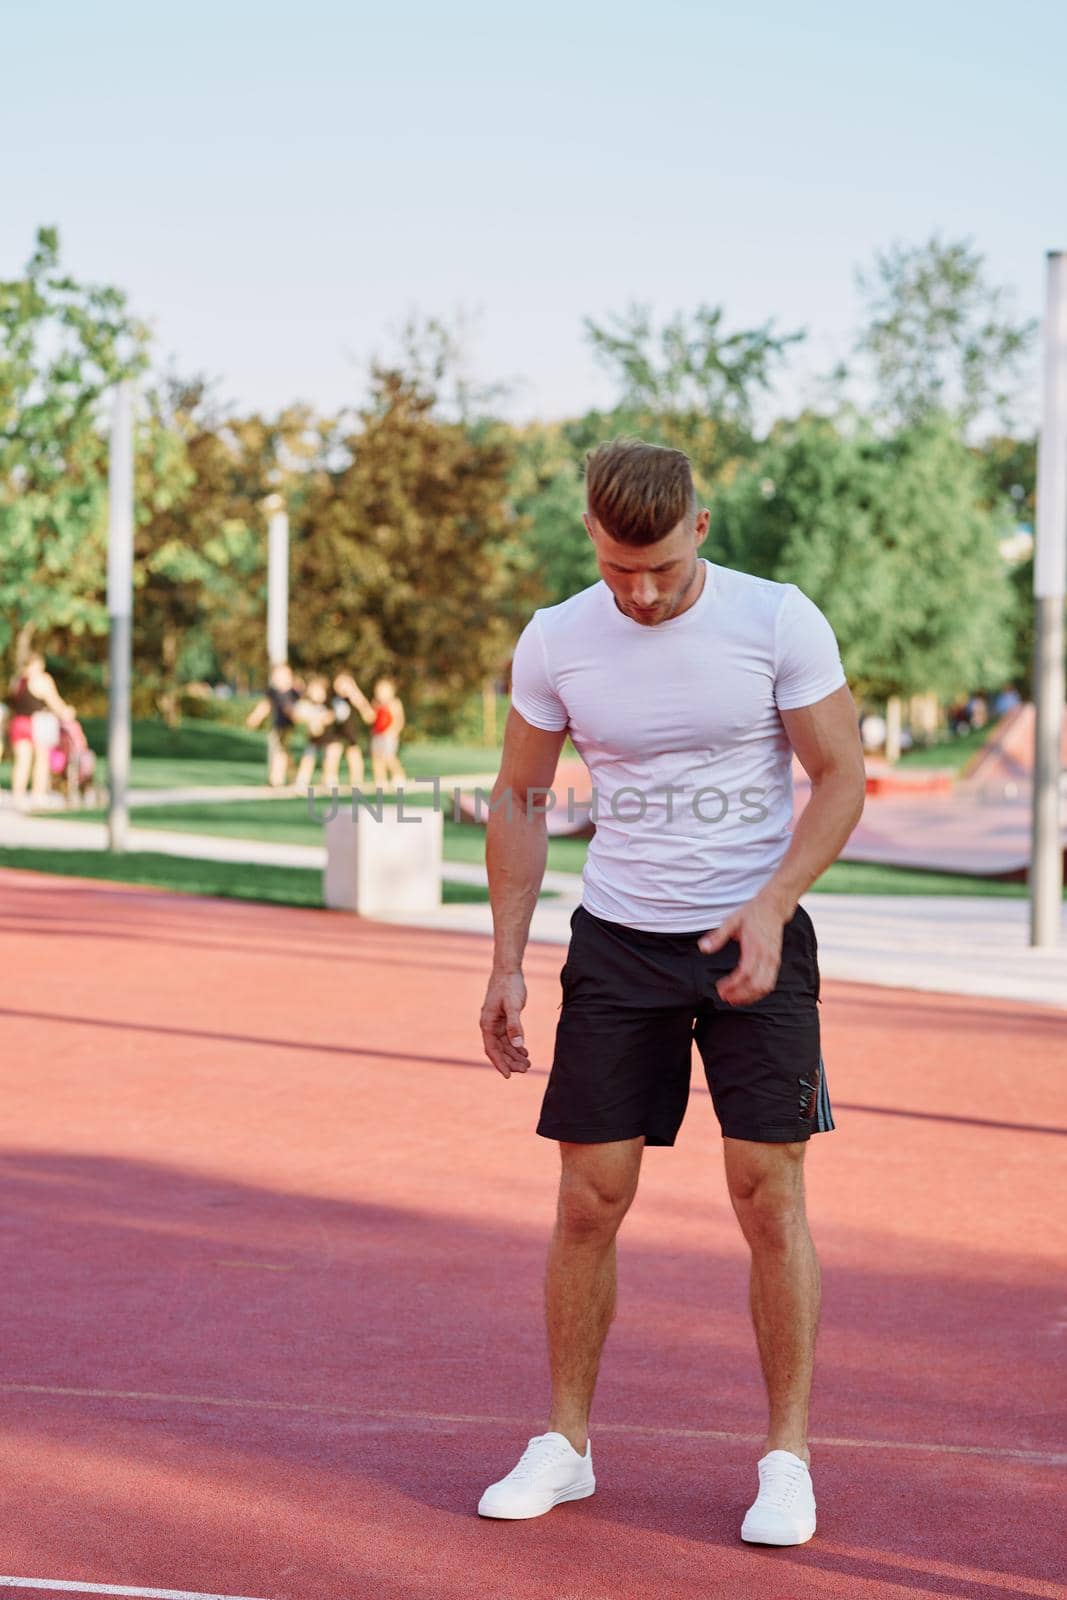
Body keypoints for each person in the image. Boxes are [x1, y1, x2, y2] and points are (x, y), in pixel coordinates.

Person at [477, 440, 865, 1547]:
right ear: (591, 544)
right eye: (615, 570)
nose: (638, 593)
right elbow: (517, 795)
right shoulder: (556, 637)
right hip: (618, 946)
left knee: (764, 1194)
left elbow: (840, 777)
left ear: (699, 526)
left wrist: (773, 901)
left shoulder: (776, 618)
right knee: (587, 1200)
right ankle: (565, 1443)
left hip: (756, 935)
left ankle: (785, 1458)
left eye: (656, 566)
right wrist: (506, 959)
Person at [6, 652, 74, 807]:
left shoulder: (18, 681)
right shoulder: (42, 680)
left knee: (22, 761)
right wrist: (66, 712)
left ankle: (18, 795)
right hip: (37, 722)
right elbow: (54, 702)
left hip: (18, 722)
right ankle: (38, 795)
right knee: (42, 760)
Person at [246, 663, 302, 787]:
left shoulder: (293, 692)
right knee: (281, 751)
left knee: (280, 751)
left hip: (288, 728)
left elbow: (301, 708)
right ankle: (289, 776)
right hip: (276, 726)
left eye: (283, 675)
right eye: (277, 676)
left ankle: (277, 778)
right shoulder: (273, 692)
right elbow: (265, 706)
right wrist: (255, 718)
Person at [326, 672, 375, 789]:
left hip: (351, 732)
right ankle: (330, 780)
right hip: (336, 732)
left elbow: (369, 715)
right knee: (332, 753)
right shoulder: (332, 698)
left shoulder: (355, 698)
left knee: (353, 755)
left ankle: (356, 781)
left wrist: (354, 694)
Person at [292, 674, 336, 790]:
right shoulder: (306, 704)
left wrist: (319, 719)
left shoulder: (328, 704)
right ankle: (302, 781)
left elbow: (330, 717)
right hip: (313, 739)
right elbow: (298, 716)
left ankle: (329, 779)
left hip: (328, 738)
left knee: (329, 759)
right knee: (308, 758)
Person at [368, 678, 405, 787]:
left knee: (389, 756)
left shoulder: (394, 703)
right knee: (376, 758)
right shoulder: (376, 703)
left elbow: (399, 719)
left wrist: (394, 731)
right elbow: (372, 718)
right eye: (379, 691)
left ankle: (398, 776)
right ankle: (380, 779)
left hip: (389, 735)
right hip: (377, 734)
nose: (381, 694)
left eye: (384, 691)